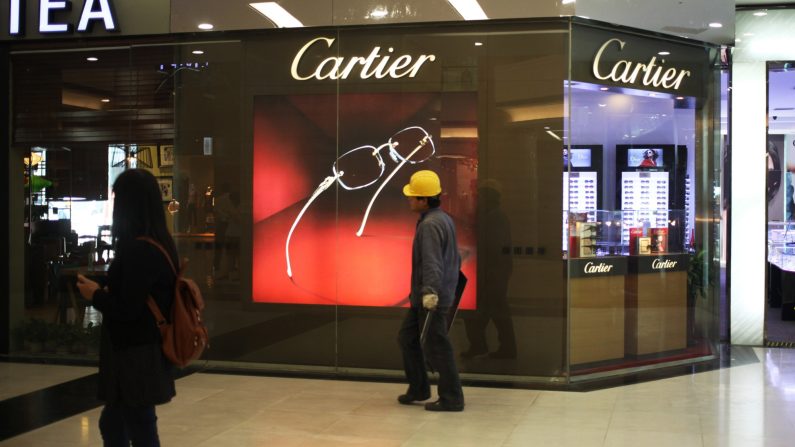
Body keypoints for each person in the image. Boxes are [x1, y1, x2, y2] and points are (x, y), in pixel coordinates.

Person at [76, 168, 177, 446]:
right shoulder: (161, 243)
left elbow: (127, 309)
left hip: (135, 353)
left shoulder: (138, 249)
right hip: (146, 348)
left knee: (134, 424)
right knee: (120, 421)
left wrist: (94, 295)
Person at [397, 170, 465, 412]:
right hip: (429, 295)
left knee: (437, 345)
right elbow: (455, 257)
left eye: (412, 197)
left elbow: (432, 262)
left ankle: (452, 398)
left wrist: (430, 293)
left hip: (431, 298)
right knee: (408, 338)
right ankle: (419, 388)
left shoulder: (430, 225)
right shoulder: (443, 218)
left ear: (424, 200)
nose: (409, 200)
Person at [461, 182, 517, 359]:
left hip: (491, 272)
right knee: (495, 311)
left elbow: (492, 247)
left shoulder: (493, 217)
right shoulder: (495, 216)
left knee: (488, 312)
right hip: (493, 272)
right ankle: (499, 346)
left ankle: (485, 345)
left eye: (479, 196)